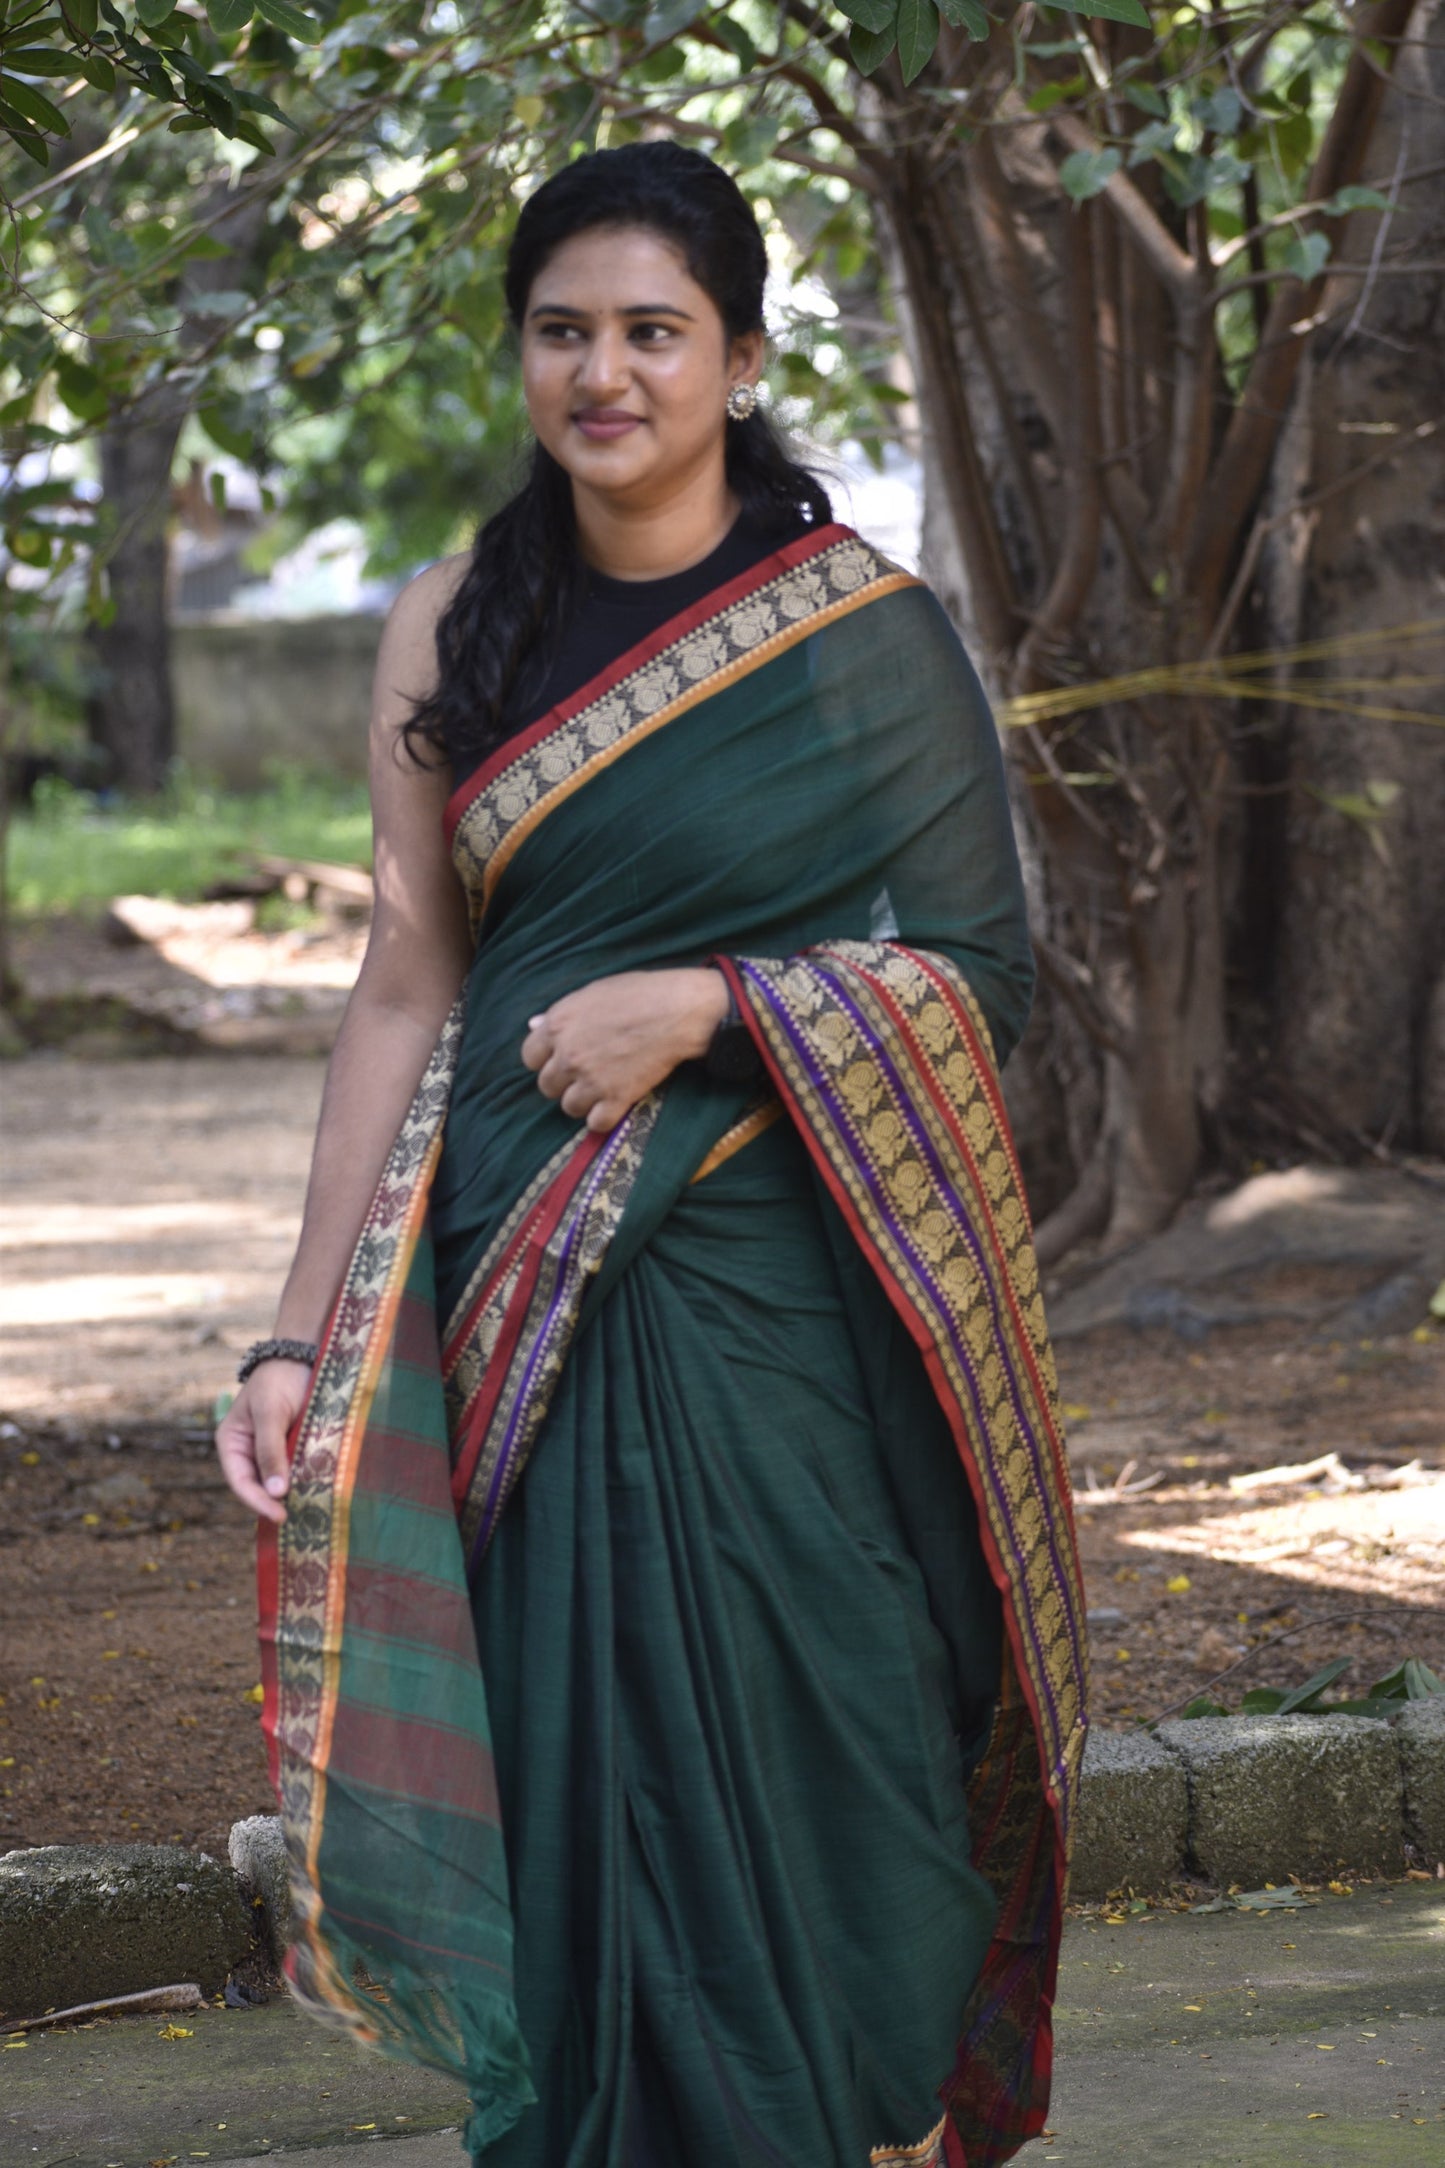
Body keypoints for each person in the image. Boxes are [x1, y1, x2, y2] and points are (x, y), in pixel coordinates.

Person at [216, 140, 1086, 2168]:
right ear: (523, 351)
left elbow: (977, 978)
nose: (604, 374)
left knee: (823, 1742)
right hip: (512, 1288)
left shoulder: (861, 637)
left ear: (742, 357)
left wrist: (710, 1004)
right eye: (564, 332)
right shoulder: (453, 624)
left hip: (782, 1298)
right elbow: (403, 990)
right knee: (581, 1793)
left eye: (653, 334)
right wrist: (292, 1329)